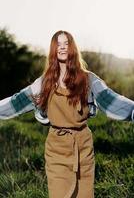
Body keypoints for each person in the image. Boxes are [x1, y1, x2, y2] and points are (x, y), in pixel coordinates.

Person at [0, 30, 134, 198]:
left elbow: (111, 100)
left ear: (73, 49)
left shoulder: (89, 80)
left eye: (66, 44)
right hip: (56, 149)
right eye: (58, 44)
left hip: (83, 148)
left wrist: (132, 111)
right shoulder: (43, 83)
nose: (62, 48)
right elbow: (16, 101)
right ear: (53, 50)